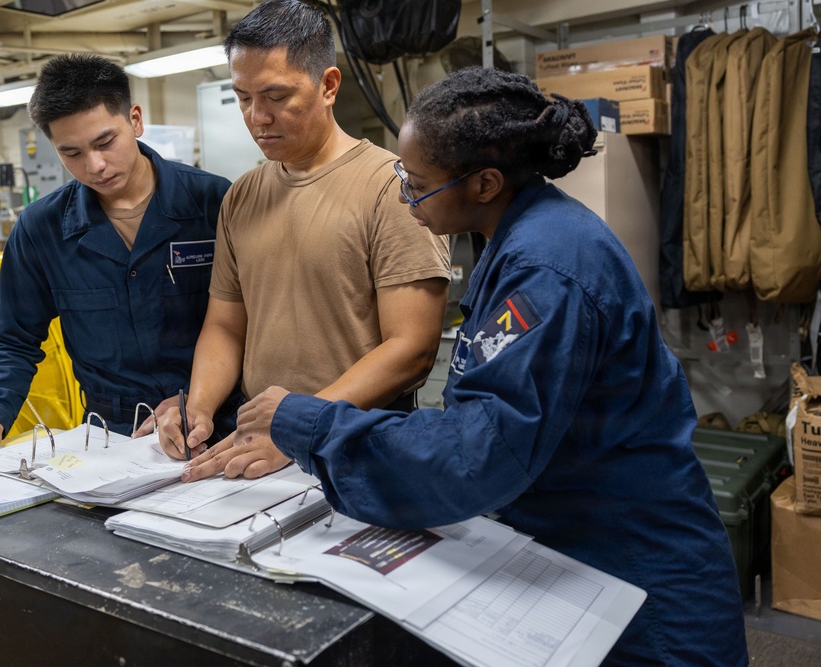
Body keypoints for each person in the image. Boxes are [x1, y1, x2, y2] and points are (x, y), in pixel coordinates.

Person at [230, 68, 749, 665]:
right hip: (578, 553)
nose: (404, 194)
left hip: (639, 587)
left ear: (484, 183)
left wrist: (311, 423)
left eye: (418, 183)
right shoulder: (521, 237)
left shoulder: (546, 267)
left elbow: (480, 450)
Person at [148, 0, 451, 478]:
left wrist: (296, 426)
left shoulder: (391, 187)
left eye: (275, 96)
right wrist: (199, 406)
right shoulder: (243, 194)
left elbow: (411, 348)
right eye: (243, 97)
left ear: (328, 85)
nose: (256, 117)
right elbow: (227, 325)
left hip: (358, 441)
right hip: (259, 441)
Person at [0, 54, 234, 456]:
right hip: (110, 437)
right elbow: (13, 338)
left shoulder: (215, 202)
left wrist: (203, 397)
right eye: (72, 153)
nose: (95, 165)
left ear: (134, 119)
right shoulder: (41, 228)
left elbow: (258, 321)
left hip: (220, 422)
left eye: (105, 142)